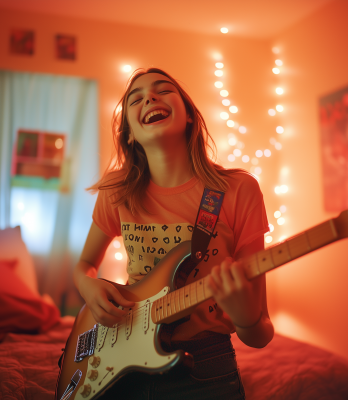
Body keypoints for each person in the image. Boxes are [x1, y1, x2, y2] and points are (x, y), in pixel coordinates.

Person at [73, 67, 274, 399]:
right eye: (135, 99)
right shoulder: (116, 192)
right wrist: (88, 286)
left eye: (163, 90)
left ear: (190, 115)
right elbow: (84, 265)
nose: (149, 97)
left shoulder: (238, 190)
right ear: (130, 135)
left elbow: (261, 335)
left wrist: (246, 317)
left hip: (207, 365)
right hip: (122, 358)